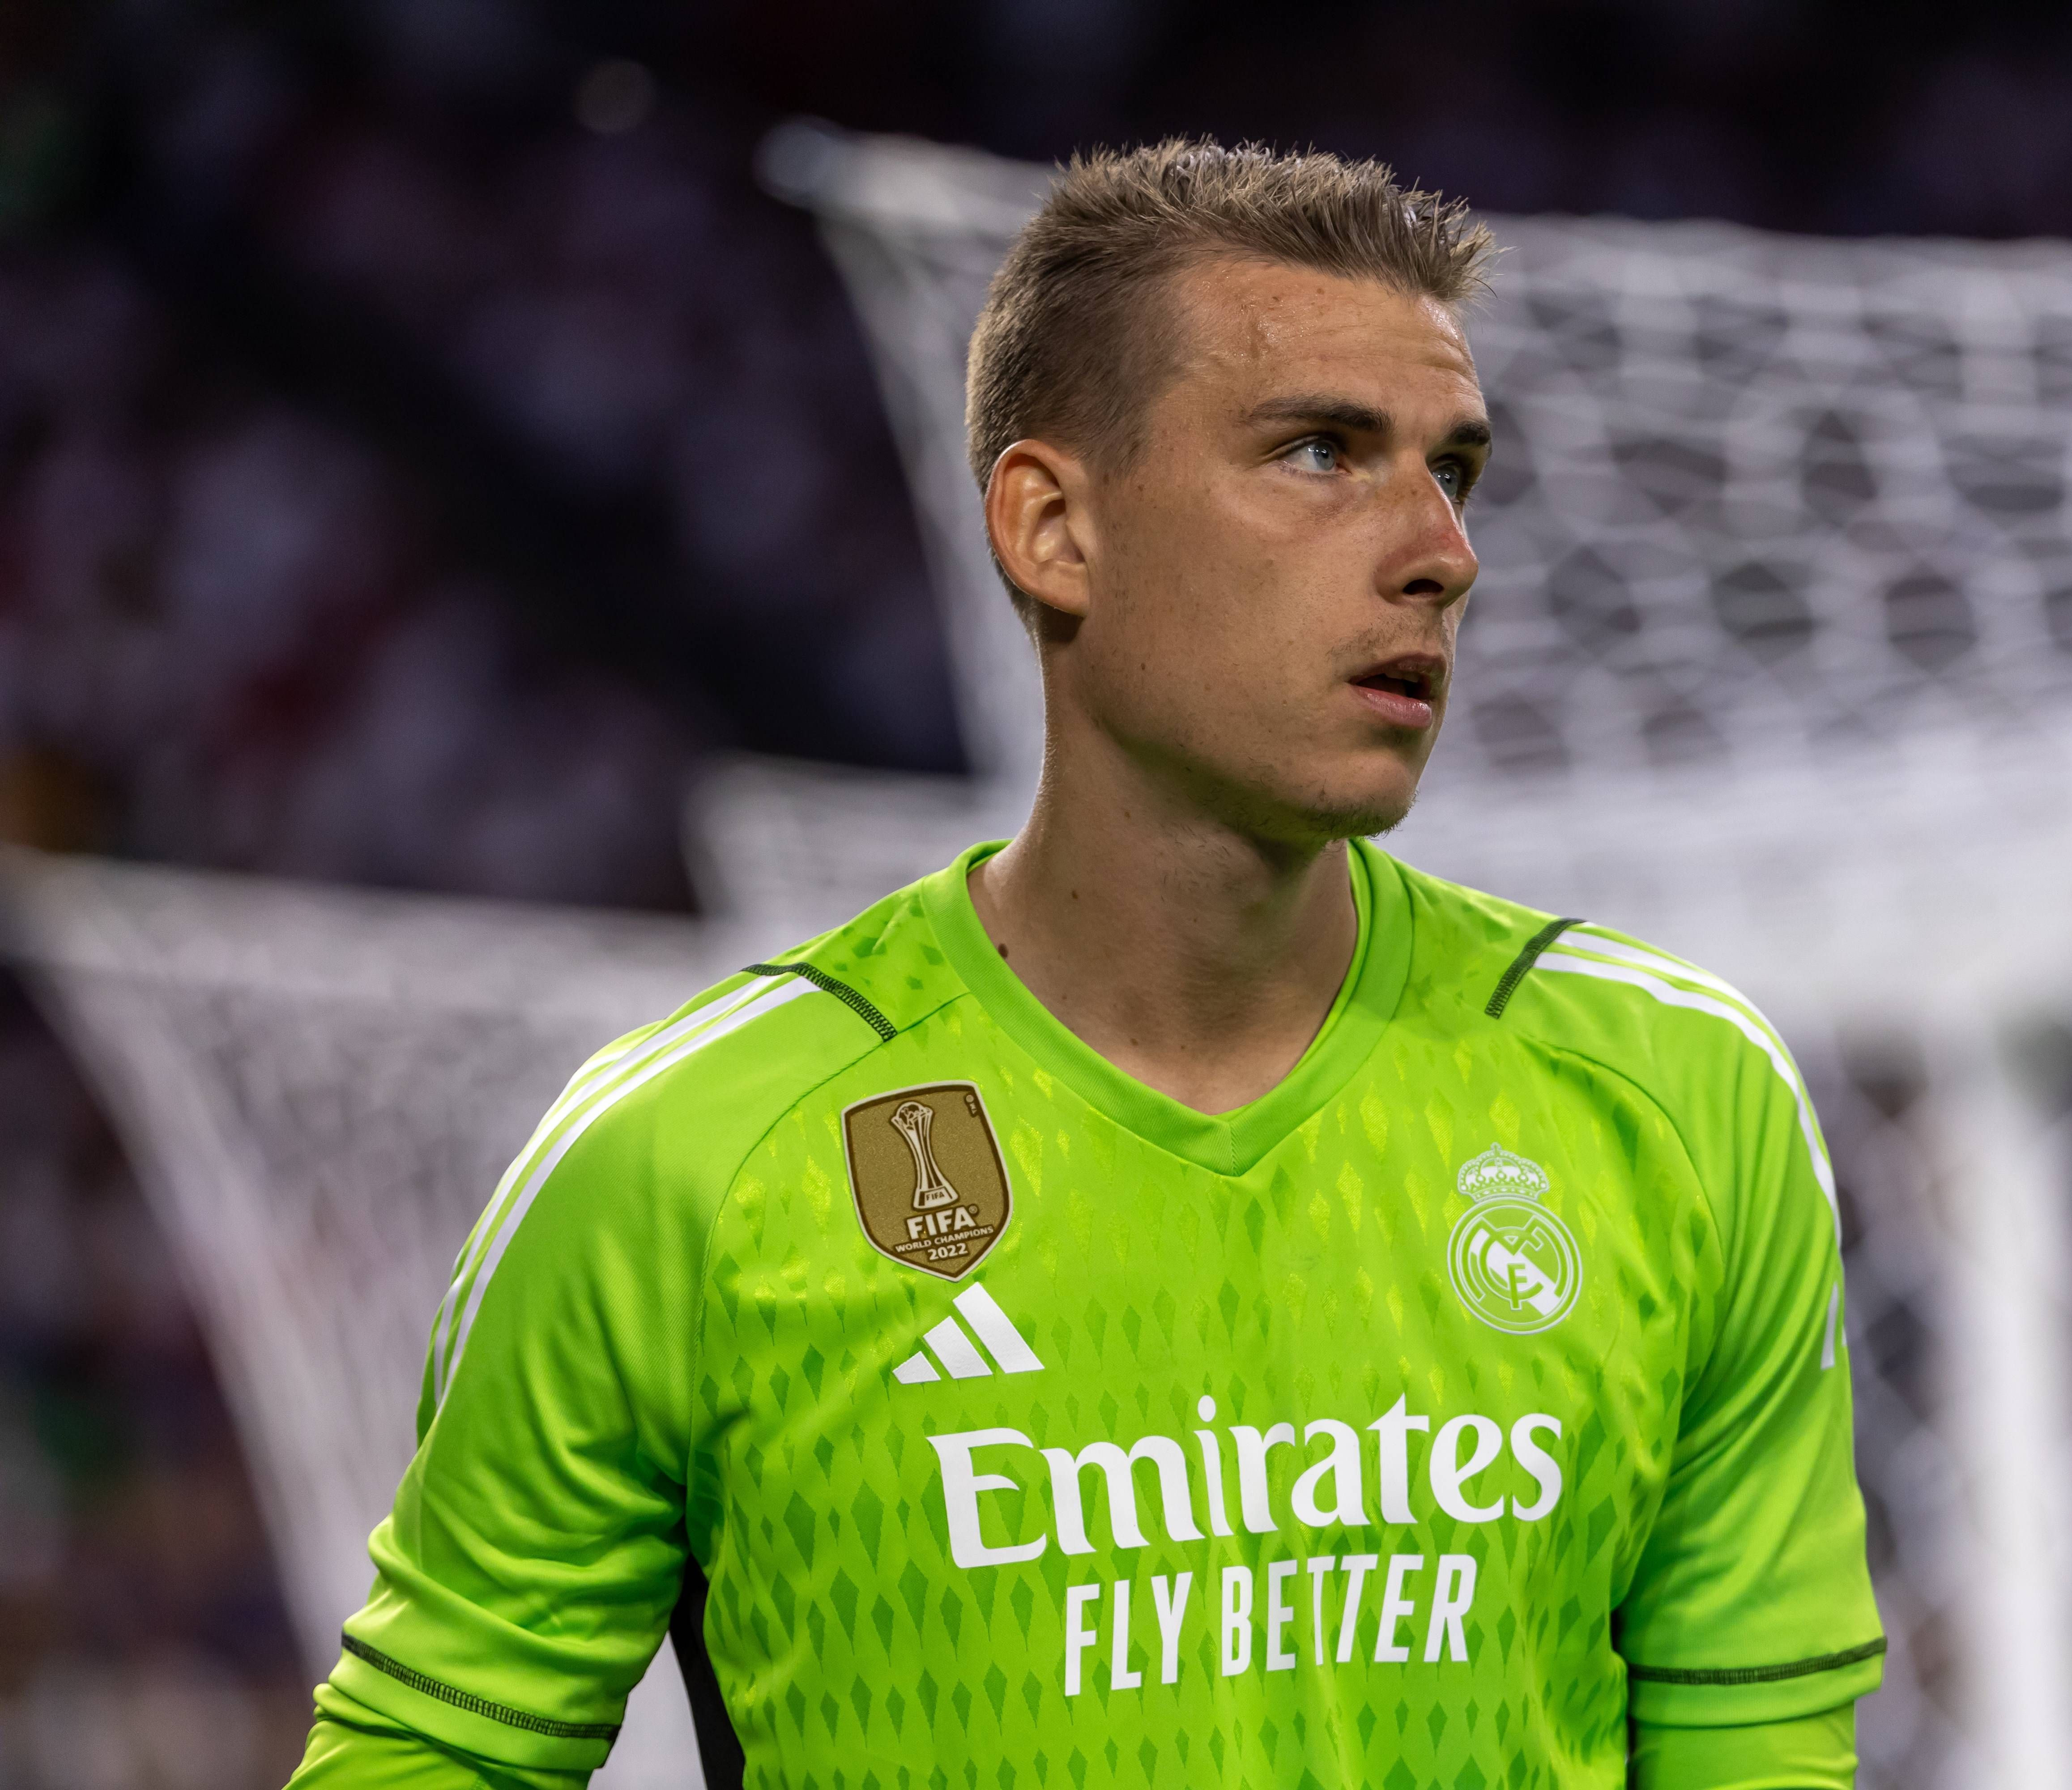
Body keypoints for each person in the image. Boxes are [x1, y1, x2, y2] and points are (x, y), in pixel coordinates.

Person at [286, 139, 1881, 1790]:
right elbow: (423, 1758)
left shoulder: (1673, 1102)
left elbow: (1758, 1752)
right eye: (1322, 452)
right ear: (1055, 529)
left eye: (1452, 471)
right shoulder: (688, 1161)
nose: (1439, 550)